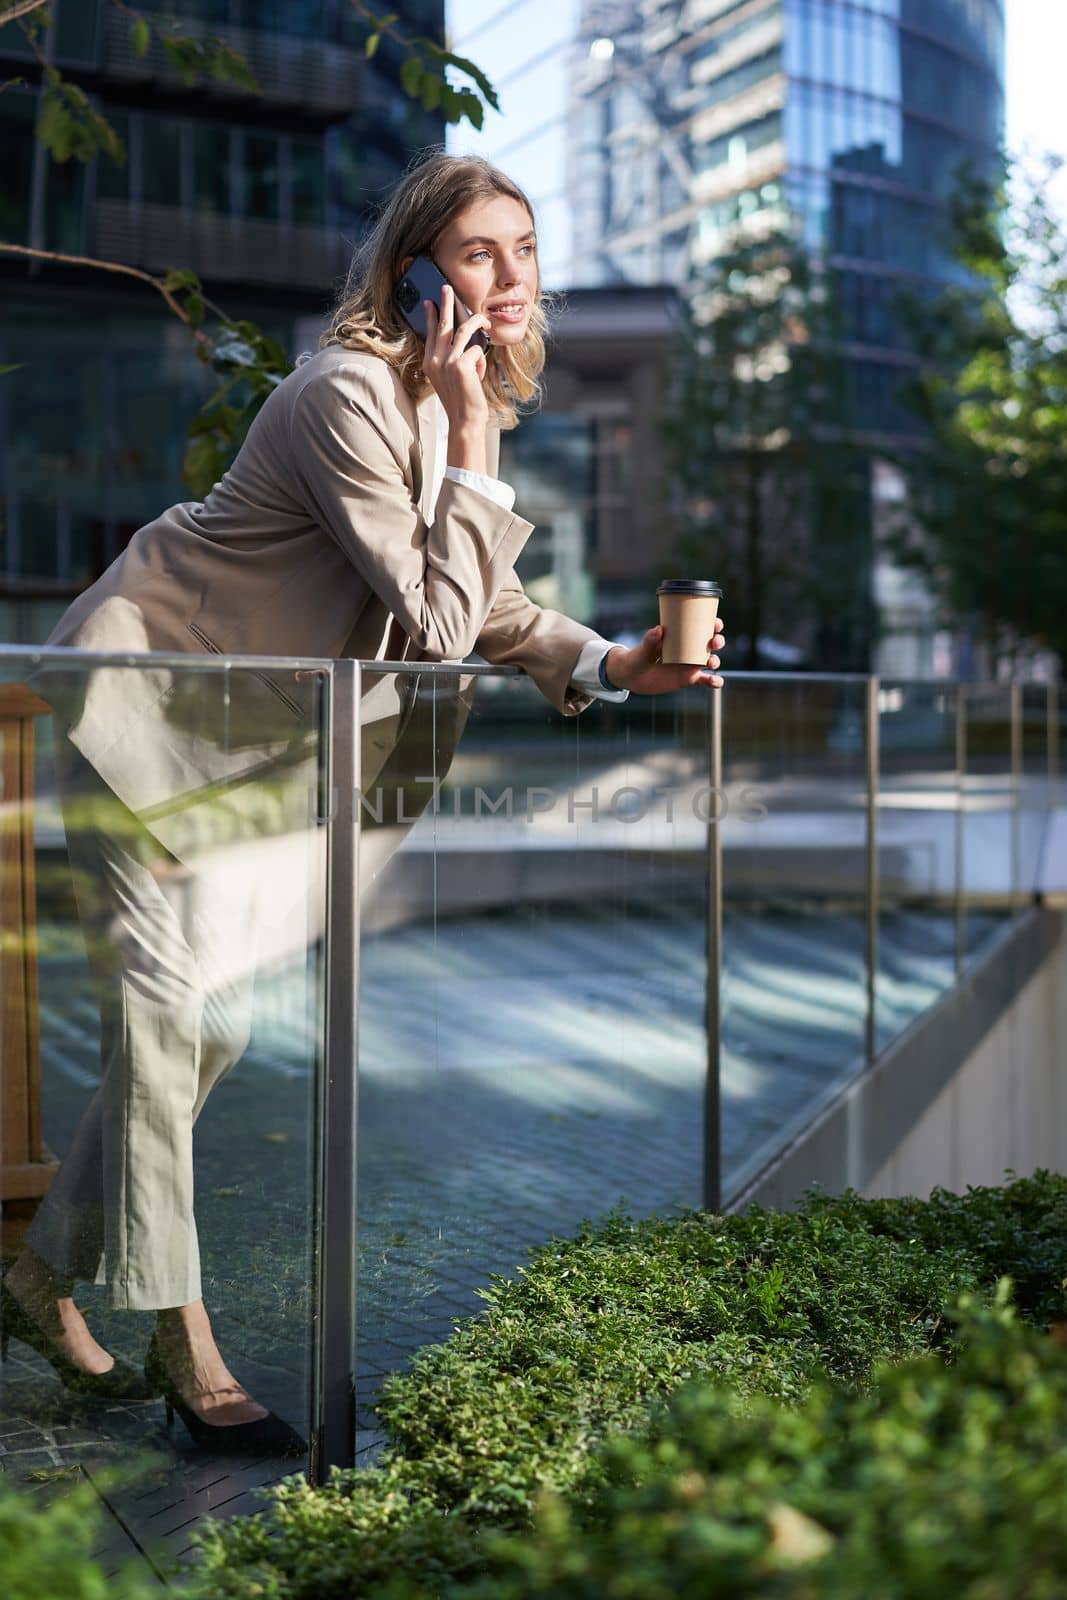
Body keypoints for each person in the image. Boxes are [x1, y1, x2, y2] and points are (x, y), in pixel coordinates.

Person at [0, 152, 725, 1456]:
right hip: (140, 713)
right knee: (171, 1027)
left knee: (204, 1037)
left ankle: (34, 1281)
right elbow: (439, 623)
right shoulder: (348, 392)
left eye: (524, 249)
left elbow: (479, 600)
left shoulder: (453, 408)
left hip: (235, 754)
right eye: (478, 252)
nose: (509, 278)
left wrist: (618, 663)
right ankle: (190, 1352)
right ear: (415, 267)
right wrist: (470, 432)